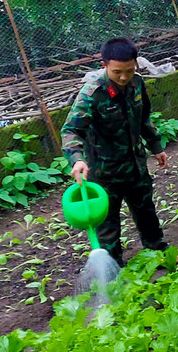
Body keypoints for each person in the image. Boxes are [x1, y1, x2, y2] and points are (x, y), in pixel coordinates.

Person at [63, 37, 169, 266]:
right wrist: (77, 160)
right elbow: (71, 130)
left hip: (135, 165)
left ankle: (159, 252)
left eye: (129, 71)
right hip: (105, 172)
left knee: (146, 212)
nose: (123, 77)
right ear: (105, 66)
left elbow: (144, 118)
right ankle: (113, 269)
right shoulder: (92, 93)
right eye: (117, 72)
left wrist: (156, 146)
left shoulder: (137, 84)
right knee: (107, 225)